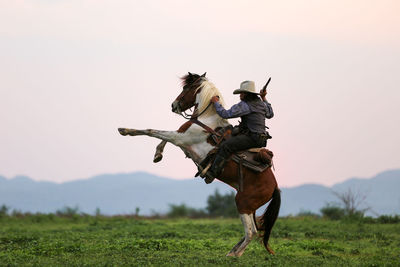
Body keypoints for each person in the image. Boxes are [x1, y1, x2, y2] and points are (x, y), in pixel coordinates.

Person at [203, 80, 274, 184]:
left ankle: (212, 173)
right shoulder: (261, 104)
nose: (240, 95)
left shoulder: (245, 105)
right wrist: (264, 98)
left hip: (251, 138)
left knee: (226, 146)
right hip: (261, 139)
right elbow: (270, 114)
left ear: (246, 94)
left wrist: (216, 102)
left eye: (241, 93)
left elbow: (225, 114)